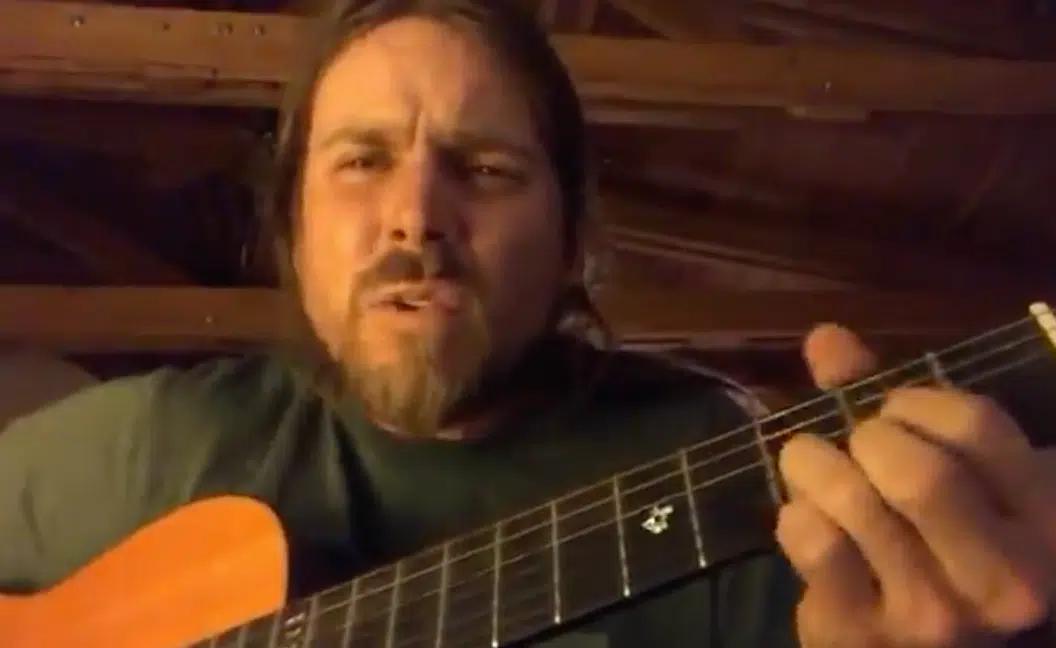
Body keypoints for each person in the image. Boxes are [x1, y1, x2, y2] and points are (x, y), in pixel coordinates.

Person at [0, 0, 1053, 646]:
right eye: (362, 161)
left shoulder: (741, 477)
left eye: (486, 168)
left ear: (571, 240)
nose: (416, 214)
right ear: (292, 227)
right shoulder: (145, 451)